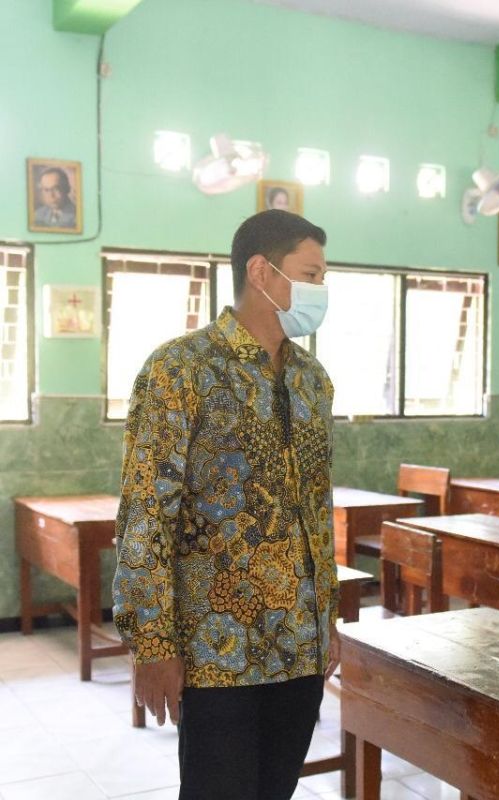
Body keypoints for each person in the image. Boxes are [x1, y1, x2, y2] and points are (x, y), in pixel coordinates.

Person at [112, 209, 338, 800]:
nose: (321, 290)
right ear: (261, 271)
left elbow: (317, 508)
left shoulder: (313, 380)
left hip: (299, 645)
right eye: (310, 273)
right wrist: (153, 644)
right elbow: (144, 515)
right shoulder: (181, 369)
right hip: (218, 651)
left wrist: (327, 618)